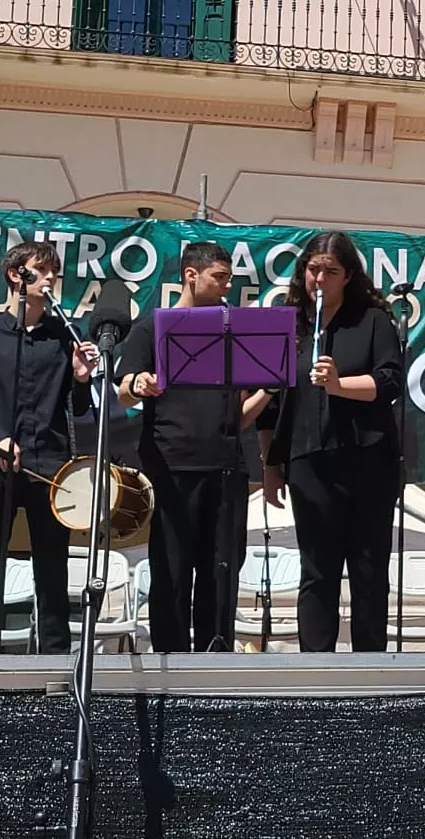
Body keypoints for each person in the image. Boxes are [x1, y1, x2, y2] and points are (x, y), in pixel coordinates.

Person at [115, 242, 271, 653]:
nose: (227, 285)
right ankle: (169, 658)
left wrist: (269, 391)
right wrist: (140, 383)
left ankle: (215, 659)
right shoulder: (153, 327)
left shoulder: (232, 333)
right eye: (219, 277)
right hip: (172, 466)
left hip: (226, 467)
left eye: (229, 277)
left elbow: (237, 417)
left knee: (222, 570)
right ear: (191, 275)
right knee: (172, 570)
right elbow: (122, 392)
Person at [0, 241, 98, 655]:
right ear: (18, 276)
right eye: (43, 270)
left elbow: (79, 408)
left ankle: (54, 658)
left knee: (52, 566)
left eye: (55, 272)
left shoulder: (62, 337)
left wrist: (81, 378)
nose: (52, 278)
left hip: (48, 464)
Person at [262, 232, 404, 653]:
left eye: (330, 272)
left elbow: (389, 381)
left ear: (348, 276)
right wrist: (271, 465)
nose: (319, 279)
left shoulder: (372, 321)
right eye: (313, 269)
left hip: (368, 461)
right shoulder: (290, 325)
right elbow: (272, 403)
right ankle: (315, 671)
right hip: (309, 459)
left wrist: (340, 385)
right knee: (317, 570)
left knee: (368, 569)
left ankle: (370, 669)